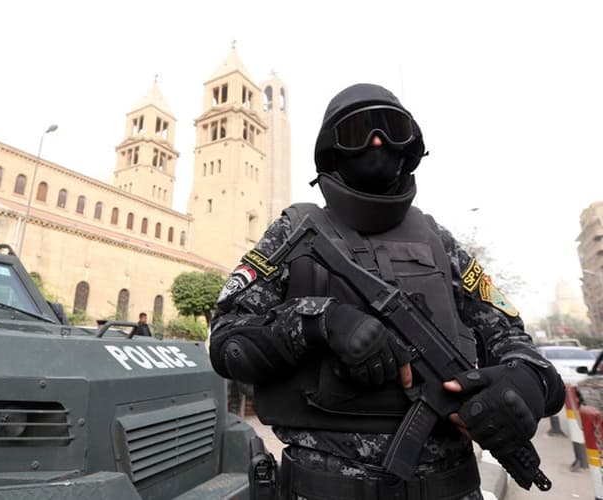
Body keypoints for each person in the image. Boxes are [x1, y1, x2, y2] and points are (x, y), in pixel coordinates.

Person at [209, 83, 565, 500]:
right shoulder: (295, 232)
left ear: (409, 147)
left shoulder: (438, 241)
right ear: (333, 150)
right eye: (359, 129)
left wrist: (525, 382)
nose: (377, 141)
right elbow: (227, 341)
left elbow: (512, 339)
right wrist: (319, 321)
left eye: (390, 129)